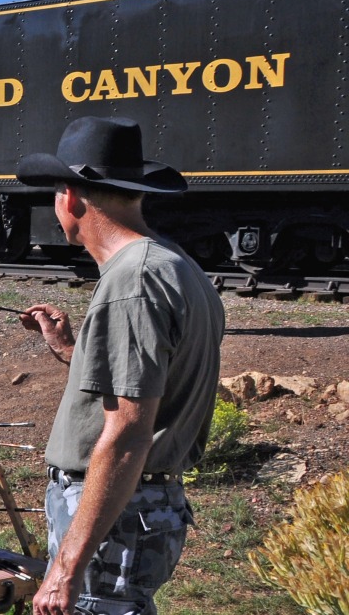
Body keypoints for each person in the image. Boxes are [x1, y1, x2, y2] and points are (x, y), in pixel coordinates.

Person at [15, 116, 225, 615]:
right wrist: (73, 350)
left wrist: (65, 571)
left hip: (114, 520)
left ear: (70, 198)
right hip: (139, 512)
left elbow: (129, 432)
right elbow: (151, 384)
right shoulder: (176, 266)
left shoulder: (133, 282)